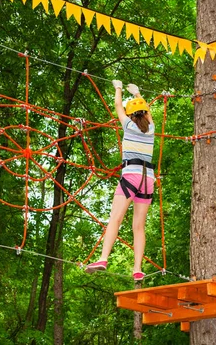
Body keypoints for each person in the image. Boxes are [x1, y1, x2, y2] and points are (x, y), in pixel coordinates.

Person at [85, 80, 155, 281]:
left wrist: (118, 87)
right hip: (148, 179)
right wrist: (137, 92)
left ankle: (103, 258)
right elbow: (146, 111)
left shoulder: (129, 125)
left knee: (115, 218)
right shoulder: (151, 129)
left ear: (132, 114)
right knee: (138, 226)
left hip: (130, 176)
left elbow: (117, 106)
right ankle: (137, 269)